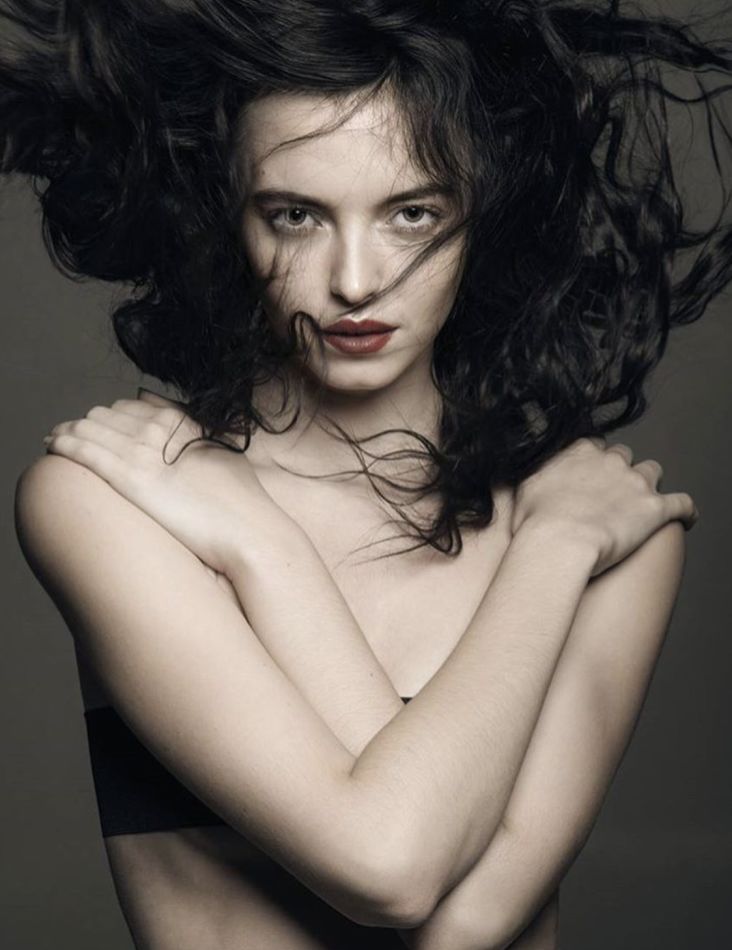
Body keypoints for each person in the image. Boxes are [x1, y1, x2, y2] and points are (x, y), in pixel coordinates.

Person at [4, 0, 728, 947]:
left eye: (412, 214)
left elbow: (463, 925)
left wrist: (263, 547)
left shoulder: (596, 522)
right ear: (228, 216)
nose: (356, 280)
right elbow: (392, 873)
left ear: (481, 218)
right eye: (296, 215)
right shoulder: (117, 499)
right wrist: (263, 537)